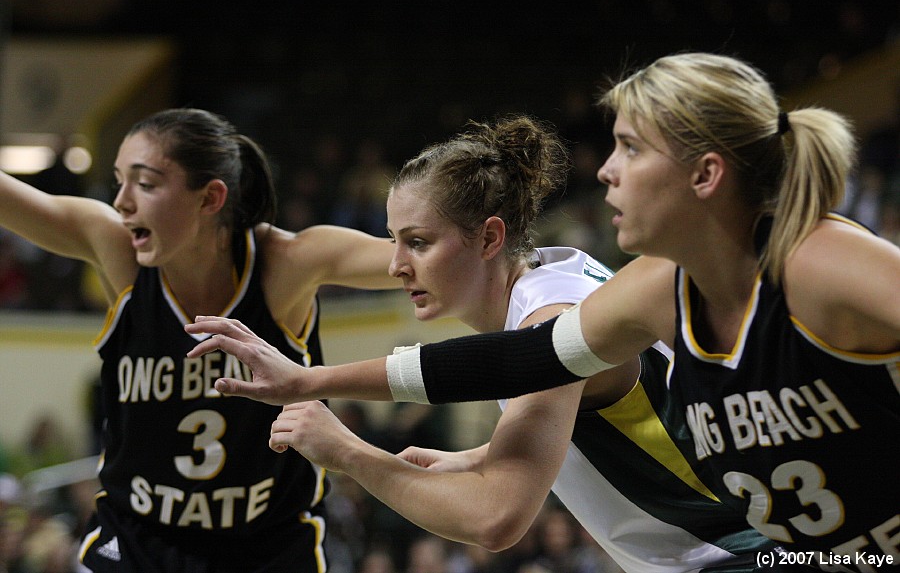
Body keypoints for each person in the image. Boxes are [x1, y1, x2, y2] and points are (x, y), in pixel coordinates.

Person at [187, 54, 900, 570]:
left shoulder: (817, 260)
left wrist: (338, 435)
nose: (604, 170)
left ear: (704, 173)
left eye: (628, 147)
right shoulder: (653, 291)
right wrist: (312, 383)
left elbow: (497, 515)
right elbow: (519, 362)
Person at [0, 108, 399, 572]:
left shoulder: (285, 264)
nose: (123, 202)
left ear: (210, 198)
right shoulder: (118, 250)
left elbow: (418, 256)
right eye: (119, 181)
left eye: (145, 184)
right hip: (137, 538)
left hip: (266, 546)